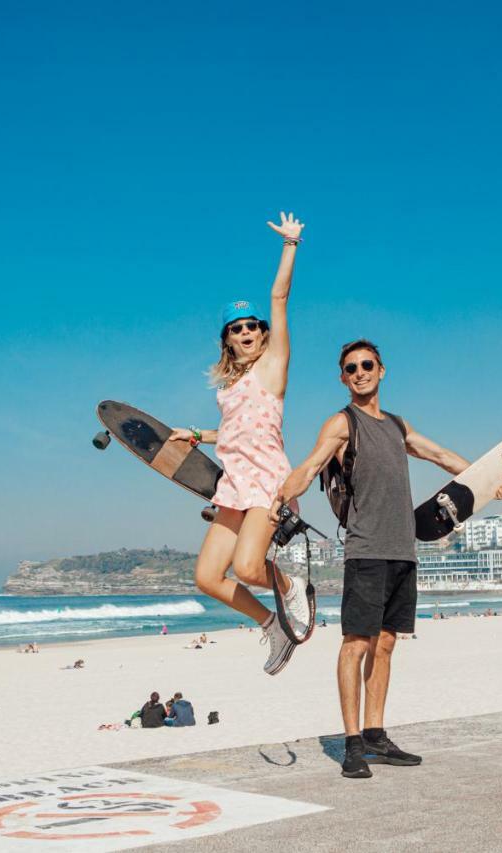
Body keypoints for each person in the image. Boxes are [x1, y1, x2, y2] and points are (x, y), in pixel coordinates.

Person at [272, 339, 502, 779]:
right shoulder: (343, 423)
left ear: (382, 370)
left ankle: (376, 734)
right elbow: (310, 466)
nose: (359, 372)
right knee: (356, 644)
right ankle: (352, 744)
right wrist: (285, 495)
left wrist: (487, 479)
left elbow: (440, 455)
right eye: (350, 368)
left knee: (385, 644)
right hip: (365, 549)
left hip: (404, 549)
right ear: (343, 378)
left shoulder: (399, 426)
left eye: (366, 365)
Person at [166, 212, 310, 676]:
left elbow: (280, 296)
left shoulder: (273, 367)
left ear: (263, 333)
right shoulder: (228, 389)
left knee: (249, 569)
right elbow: (232, 434)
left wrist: (290, 245)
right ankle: (272, 625)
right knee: (207, 577)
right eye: (237, 328)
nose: (246, 332)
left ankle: (292, 589)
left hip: (268, 482)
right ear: (226, 340)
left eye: (253, 326)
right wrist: (197, 435)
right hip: (233, 485)